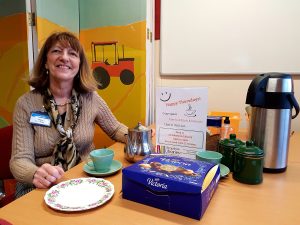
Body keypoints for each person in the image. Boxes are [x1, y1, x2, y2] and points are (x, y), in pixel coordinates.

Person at [10, 31, 128, 198]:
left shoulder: (91, 98)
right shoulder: (26, 104)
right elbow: (19, 160)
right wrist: (36, 173)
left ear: (79, 65)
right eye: (57, 51)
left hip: (84, 180)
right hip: (41, 186)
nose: (64, 57)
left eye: (72, 53)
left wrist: (138, 136)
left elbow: (115, 128)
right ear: (45, 62)